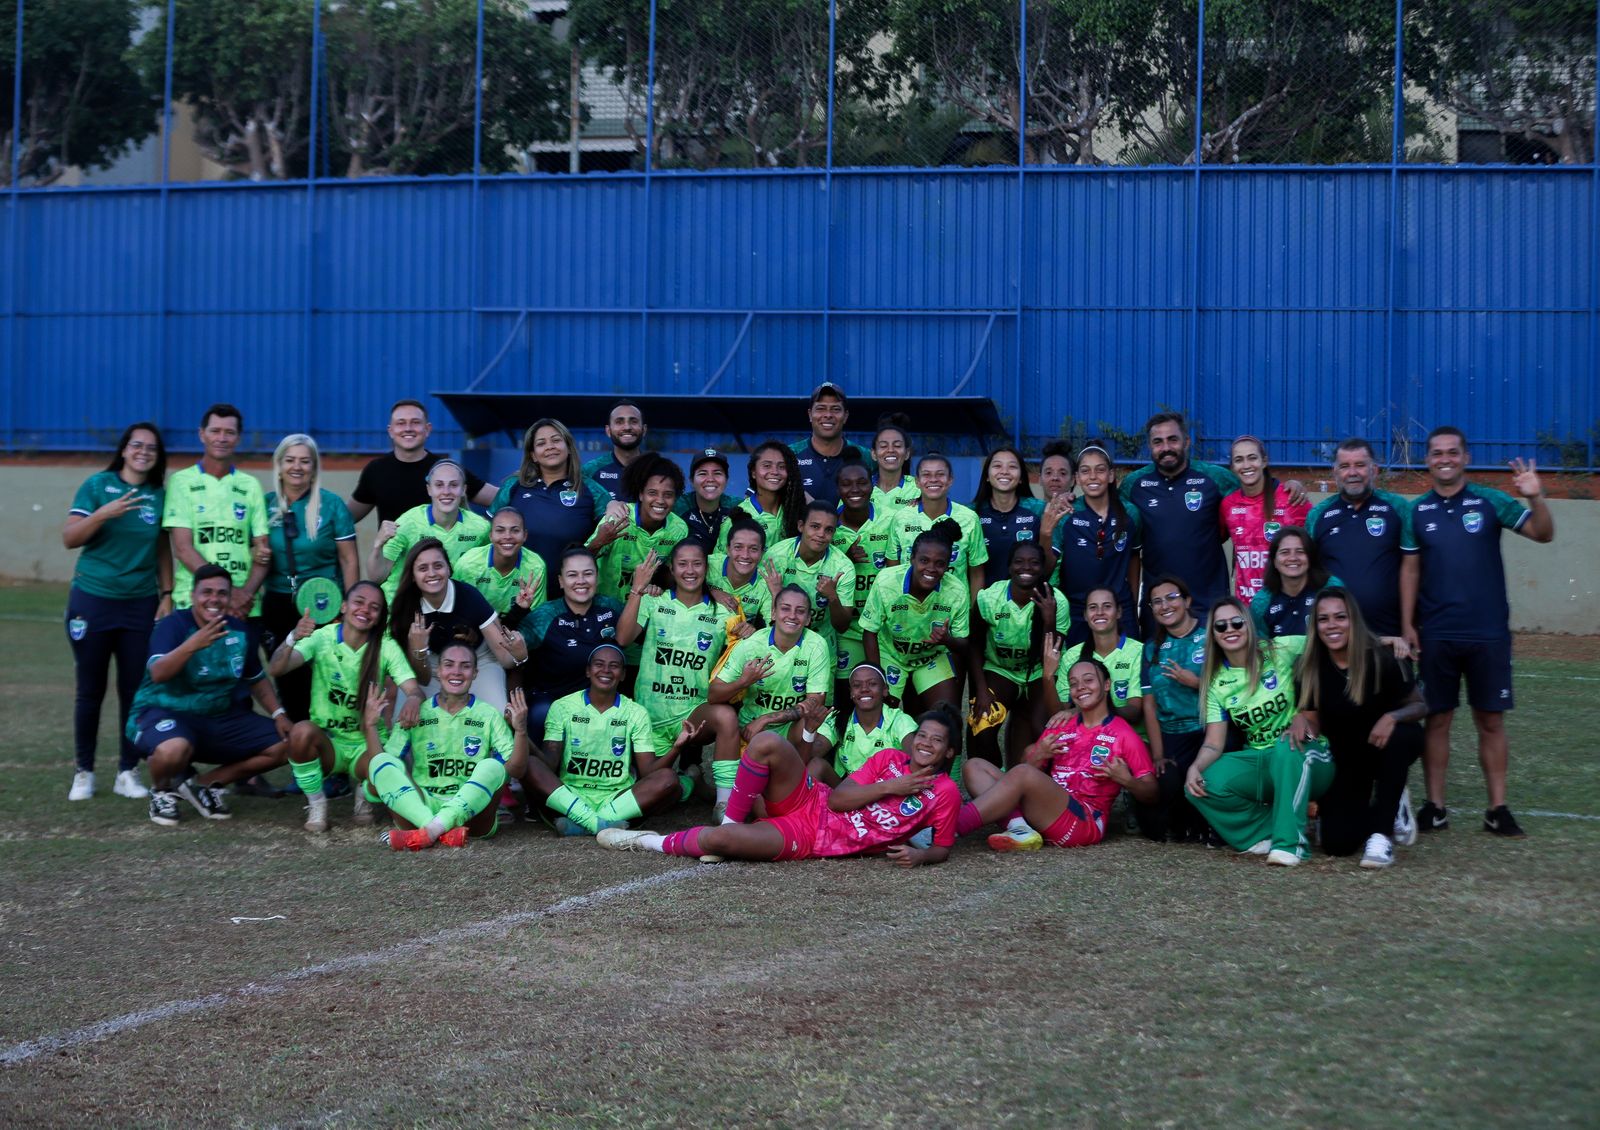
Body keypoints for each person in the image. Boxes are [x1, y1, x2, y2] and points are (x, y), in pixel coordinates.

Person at [1401, 430, 1554, 837]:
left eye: (1453, 452)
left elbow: (1543, 534)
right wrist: (1407, 625)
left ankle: (1497, 809)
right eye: (1437, 453)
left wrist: (1536, 497)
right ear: (1427, 460)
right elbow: (1410, 571)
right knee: (1437, 719)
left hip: (1488, 632)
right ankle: (1435, 807)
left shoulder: (1491, 501)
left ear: (1466, 457)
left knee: (1490, 720)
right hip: (1436, 633)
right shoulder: (1417, 511)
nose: (1445, 459)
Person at [597, 712, 962, 867]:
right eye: (922, 735)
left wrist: (920, 857)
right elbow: (838, 798)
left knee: (717, 842)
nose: (925, 743)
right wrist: (893, 785)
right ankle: (733, 820)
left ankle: (645, 841)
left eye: (937, 740)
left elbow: (943, 847)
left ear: (949, 752)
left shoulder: (945, 792)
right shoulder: (889, 760)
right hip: (812, 799)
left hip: (812, 836)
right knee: (767, 742)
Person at [127, 565, 292, 827]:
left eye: (222, 593)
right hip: (165, 712)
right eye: (206, 592)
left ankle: (203, 784)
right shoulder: (173, 625)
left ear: (230, 597)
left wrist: (279, 713)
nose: (214, 599)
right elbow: (158, 673)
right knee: (173, 749)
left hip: (218, 717)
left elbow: (256, 679)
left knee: (287, 743)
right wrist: (192, 645)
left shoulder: (239, 631)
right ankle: (161, 792)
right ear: (193, 595)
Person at [63, 422, 172, 801]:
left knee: (134, 690)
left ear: (157, 456)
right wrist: (102, 514)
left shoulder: (158, 495)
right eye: (137, 445)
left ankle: (127, 771)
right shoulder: (97, 486)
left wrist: (167, 593)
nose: (143, 452)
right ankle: (84, 772)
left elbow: (162, 548)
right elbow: (69, 538)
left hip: (139, 604)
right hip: (92, 600)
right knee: (90, 690)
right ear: (124, 449)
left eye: (151, 448)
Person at [1185, 598, 1333, 866]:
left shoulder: (1278, 650)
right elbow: (1214, 743)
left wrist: (1384, 641)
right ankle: (1265, 833)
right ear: (1213, 635)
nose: (1230, 629)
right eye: (1221, 626)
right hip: (1261, 757)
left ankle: (1291, 845)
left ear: (1249, 625)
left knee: (1286, 747)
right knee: (1199, 783)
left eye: (1237, 622)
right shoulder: (1215, 681)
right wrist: (1195, 767)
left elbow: (1329, 640)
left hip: (1307, 754)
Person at [267, 580, 422, 832]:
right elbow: (276, 668)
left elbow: (414, 690)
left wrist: (413, 699)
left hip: (367, 743)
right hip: (330, 743)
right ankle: (317, 803)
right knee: (300, 732)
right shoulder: (322, 637)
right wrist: (293, 637)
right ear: (343, 606)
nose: (365, 610)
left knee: (389, 768)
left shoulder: (386, 646)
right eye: (359, 602)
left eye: (374, 607)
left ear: (379, 616)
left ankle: (364, 792)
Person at [958, 657, 1157, 851]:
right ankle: (1020, 828)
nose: (1080, 687)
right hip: (1045, 809)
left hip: (1084, 820)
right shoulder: (1062, 724)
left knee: (1023, 774)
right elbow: (1021, 771)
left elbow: (1152, 793)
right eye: (1074, 683)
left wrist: (1127, 780)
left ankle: (952, 826)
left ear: (1106, 685)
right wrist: (1039, 754)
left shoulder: (1123, 734)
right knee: (974, 766)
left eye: (1088, 680)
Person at [1292, 588, 1426, 868]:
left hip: (1385, 748)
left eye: (1340, 617)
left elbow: (1419, 706)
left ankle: (1382, 835)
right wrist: (1302, 721)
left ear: (1353, 619)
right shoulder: (1308, 667)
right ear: (1315, 626)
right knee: (1337, 844)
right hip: (1346, 758)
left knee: (1401, 736)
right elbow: (1314, 721)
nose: (1332, 625)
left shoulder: (1381, 657)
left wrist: (1392, 717)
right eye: (1324, 619)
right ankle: (1391, 805)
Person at [362, 644, 529, 850]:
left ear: (475, 673)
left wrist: (521, 731)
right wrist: (370, 726)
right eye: (449, 665)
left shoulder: (488, 714)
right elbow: (381, 772)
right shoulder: (416, 711)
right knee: (381, 761)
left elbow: (517, 770)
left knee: (493, 766)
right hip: (423, 806)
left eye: (465, 666)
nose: (456, 672)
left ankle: (430, 831)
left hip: (471, 814)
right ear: (438, 671)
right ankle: (437, 829)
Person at [527, 644, 697, 836]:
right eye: (599, 664)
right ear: (588, 671)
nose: (606, 670)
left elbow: (648, 771)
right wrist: (522, 733)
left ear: (623, 674)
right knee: (530, 764)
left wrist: (676, 748)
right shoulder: (562, 707)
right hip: (572, 793)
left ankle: (582, 822)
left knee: (668, 778)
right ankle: (599, 823)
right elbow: (549, 764)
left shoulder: (636, 712)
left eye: (614, 666)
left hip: (617, 797)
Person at [617, 540, 740, 783]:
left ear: (706, 568)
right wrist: (637, 590)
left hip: (694, 712)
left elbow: (739, 656)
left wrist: (747, 632)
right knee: (653, 785)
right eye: (682, 564)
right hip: (651, 714)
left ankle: (725, 800)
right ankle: (689, 784)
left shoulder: (724, 612)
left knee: (726, 717)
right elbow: (623, 638)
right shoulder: (654, 601)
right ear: (672, 570)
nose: (690, 570)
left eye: (697, 564)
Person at [708, 585, 834, 816]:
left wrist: (768, 718)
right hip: (752, 729)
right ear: (773, 613)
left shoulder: (816, 645)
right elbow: (714, 694)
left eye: (800, 611)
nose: (792, 616)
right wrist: (744, 681)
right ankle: (725, 803)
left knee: (812, 733)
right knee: (758, 802)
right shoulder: (751, 644)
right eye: (785, 609)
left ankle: (801, 787)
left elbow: (815, 701)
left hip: (790, 726)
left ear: (808, 618)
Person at [261, 433, 359, 722]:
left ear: (314, 468)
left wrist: (350, 607)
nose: (297, 467)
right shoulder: (264, 505)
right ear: (279, 466)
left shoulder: (332, 505)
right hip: (278, 603)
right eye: (290, 460)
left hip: (324, 604)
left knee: (327, 676)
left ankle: (331, 739)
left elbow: (349, 560)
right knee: (288, 679)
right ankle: (300, 742)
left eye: (305, 461)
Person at [1121, 413, 1245, 632]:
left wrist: (1286, 485)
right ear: (1150, 446)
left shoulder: (1215, 478)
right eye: (1158, 442)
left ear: (1187, 441)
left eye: (1173, 439)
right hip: (1159, 607)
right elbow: (1105, 511)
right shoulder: (1134, 484)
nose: (1166, 447)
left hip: (1208, 603)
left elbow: (1255, 497)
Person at [388, 538, 525, 711]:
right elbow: (423, 679)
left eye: (438, 566)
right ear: (413, 576)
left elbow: (504, 657)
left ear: (449, 569)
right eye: (422, 568)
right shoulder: (406, 607)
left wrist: (519, 655)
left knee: (497, 712)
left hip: (478, 661)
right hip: (429, 663)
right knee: (405, 716)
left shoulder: (469, 596)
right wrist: (419, 651)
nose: (432, 573)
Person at [162, 403, 270, 617]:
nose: (222, 438)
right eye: (215, 431)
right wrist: (227, 593)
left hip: (244, 607)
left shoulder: (250, 485)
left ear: (238, 438)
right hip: (194, 602)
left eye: (229, 432)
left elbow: (263, 551)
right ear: (202, 434)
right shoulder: (181, 482)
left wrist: (245, 594)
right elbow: (183, 548)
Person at [968, 542, 1070, 766]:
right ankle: (995, 778)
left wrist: (1049, 620)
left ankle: (1041, 781)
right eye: (1019, 562)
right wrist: (981, 690)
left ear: (1043, 568)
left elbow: (1049, 656)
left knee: (1043, 729)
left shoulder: (1057, 601)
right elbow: (974, 645)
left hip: (1040, 672)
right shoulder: (989, 598)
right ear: (1009, 566)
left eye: (1034, 563)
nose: (1026, 568)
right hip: (1001, 669)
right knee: (981, 724)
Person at [490, 418, 615, 598]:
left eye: (556, 440)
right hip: (516, 594)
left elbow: (611, 535)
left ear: (568, 447)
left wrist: (614, 507)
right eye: (541, 443)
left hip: (570, 597)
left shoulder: (592, 490)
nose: (550, 446)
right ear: (533, 455)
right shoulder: (513, 486)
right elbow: (489, 537)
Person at [1306, 438, 1415, 636]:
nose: (1352, 472)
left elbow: (1412, 569)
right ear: (1335, 472)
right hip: (1337, 636)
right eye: (1345, 466)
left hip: (1389, 634)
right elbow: (1309, 573)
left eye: (1360, 465)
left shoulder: (1398, 508)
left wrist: (1409, 625)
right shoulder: (1318, 515)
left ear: (1374, 470)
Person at [516, 545, 627, 741]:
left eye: (588, 574)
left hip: (602, 700)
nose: (581, 581)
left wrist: (647, 595)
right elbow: (510, 646)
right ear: (561, 581)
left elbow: (640, 633)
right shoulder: (546, 615)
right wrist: (519, 610)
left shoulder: (611, 607)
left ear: (597, 577)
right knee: (540, 713)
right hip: (552, 699)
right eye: (572, 575)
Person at [1135, 576, 1212, 843]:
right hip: (1172, 736)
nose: (1165, 605)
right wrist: (1158, 755)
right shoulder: (1151, 649)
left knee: (1206, 782)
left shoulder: (1210, 635)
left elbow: (1230, 689)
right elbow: (1149, 703)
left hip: (1208, 731)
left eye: (1171, 597)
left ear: (1187, 601)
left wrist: (1196, 683)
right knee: (1166, 784)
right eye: (1157, 601)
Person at [860, 524, 969, 714]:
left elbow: (964, 644)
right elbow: (869, 632)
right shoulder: (886, 582)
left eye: (940, 563)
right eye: (924, 560)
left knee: (946, 716)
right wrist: (878, 676)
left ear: (947, 565)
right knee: (880, 713)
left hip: (930, 658)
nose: (931, 569)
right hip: (891, 654)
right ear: (912, 558)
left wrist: (947, 640)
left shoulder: (956, 591)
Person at [1045, 443, 1141, 645]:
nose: (1093, 477)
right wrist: (1045, 533)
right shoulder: (1067, 513)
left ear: (1111, 475)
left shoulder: (1130, 513)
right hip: (1077, 609)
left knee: (1128, 660)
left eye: (1100, 470)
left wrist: (1131, 602)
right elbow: (1048, 565)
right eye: (1085, 471)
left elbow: (1134, 557)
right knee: (1078, 662)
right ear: (1077, 478)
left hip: (1119, 607)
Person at [347, 398, 493, 526]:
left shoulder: (446, 470)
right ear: (391, 431)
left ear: (427, 429)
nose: (408, 428)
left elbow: (499, 498)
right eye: (401, 423)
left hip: (440, 550)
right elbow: (347, 519)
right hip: (393, 549)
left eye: (415, 422)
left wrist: (484, 529)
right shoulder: (376, 470)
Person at [370, 459, 488, 599]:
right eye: (439, 485)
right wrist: (377, 545)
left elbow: (487, 572)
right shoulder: (408, 523)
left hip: (451, 606)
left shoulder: (480, 528)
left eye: (453, 485)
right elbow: (376, 577)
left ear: (463, 490)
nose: (446, 491)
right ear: (429, 489)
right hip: (401, 606)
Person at [764, 500, 855, 671]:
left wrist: (832, 597)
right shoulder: (775, 556)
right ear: (801, 526)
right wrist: (777, 593)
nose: (821, 534)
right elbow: (767, 617)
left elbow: (842, 626)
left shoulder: (842, 567)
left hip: (821, 648)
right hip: (778, 646)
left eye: (829, 530)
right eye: (815, 526)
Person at [832, 460, 902, 685]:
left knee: (886, 692)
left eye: (862, 482)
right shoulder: (828, 525)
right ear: (838, 488)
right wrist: (845, 558)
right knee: (847, 694)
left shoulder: (891, 519)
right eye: (846, 484)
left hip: (885, 627)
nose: (855, 489)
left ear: (872, 485)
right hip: (847, 628)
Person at [588, 453, 690, 604]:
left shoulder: (679, 529)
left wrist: (658, 589)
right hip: (604, 607)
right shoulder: (618, 519)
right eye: (652, 493)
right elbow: (581, 562)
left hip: (642, 610)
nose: (660, 500)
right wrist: (599, 542)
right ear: (641, 494)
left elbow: (671, 576)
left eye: (668, 495)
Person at [792, 663, 917, 786]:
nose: (864, 689)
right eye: (857, 685)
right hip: (848, 792)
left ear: (885, 690)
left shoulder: (898, 720)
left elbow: (915, 762)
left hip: (888, 791)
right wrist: (809, 730)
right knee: (816, 765)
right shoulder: (838, 718)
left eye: (872, 684)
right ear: (851, 692)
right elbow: (805, 761)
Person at [885, 454, 987, 601]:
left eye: (940, 474)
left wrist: (973, 609)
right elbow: (892, 569)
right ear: (917, 482)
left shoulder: (969, 518)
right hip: (909, 607)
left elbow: (976, 573)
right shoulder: (901, 518)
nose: (933, 479)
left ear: (950, 480)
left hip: (954, 606)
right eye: (926, 475)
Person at [1222, 436, 1310, 603]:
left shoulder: (1291, 498)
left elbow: (1316, 545)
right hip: (1247, 607)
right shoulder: (1228, 505)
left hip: (1286, 605)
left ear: (1264, 461)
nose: (1246, 465)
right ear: (1232, 467)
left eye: (1252, 458)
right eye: (1239, 460)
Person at [1042, 589, 1143, 727]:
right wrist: (1048, 675)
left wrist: (1082, 710)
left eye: (1107, 606)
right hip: (1085, 734)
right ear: (1085, 615)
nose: (1099, 612)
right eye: (1093, 607)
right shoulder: (1072, 656)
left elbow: (1134, 712)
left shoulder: (1138, 652)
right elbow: (1058, 714)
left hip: (1128, 735)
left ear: (1119, 612)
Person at [451, 507, 548, 623]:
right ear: (490, 536)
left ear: (525, 535)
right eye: (500, 530)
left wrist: (521, 610)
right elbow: (456, 612)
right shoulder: (467, 564)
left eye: (515, 530)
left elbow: (535, 621)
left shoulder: (536, 567)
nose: (507, 536)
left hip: (515, 629)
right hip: (474, 629)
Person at [972, 445, 1046, 589]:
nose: (1004, 471)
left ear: (1021, 478)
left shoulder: (1039, 510)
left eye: (1012, 467)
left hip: (1027, 599)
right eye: (997, 466)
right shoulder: (971, 513)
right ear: (987, 476)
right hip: (985, 600)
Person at [790, 382, 872, 506]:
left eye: (835, 409)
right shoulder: (789, 455)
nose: (828, 415)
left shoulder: (866, 456)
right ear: (810, 414)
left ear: (845, 416)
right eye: (821, 408)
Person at [1249, 527, 1339, 639]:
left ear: (1310, 558)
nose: (1293, 558)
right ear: (1274, 561)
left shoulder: (1331, 588)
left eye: (1300, 552)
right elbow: (1261, 646)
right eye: (1285, 552)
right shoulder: (1261, 603)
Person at [717, 442, 806, 552]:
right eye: (767, 466)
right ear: (753, 472)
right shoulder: (738, 518)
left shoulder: (797, 512)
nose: (775, 472)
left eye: (782, 467)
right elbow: (721, 560)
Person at [708, 518, 773, 628]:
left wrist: (754, 632)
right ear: (728, 549)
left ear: (762, 553)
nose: (745, 555)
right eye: (738, 547)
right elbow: (679, 589)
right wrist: (709, 592)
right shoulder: (708, 564)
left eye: (753, 549)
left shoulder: (767, 582)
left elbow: (773, 627)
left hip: (738, 638)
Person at [582, 400, 648, 501]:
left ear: (644, 430)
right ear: (608, 431)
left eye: (634, 421)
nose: (627, 427)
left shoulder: (657, 470)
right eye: (619, 422)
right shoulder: (589, 471)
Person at [675, 448, 739, 553]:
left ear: (726, 480)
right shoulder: (677, 506)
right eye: (702, 473)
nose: (710, 479)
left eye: (717, 473)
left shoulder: (738, 506)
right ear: (691, 480)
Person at [869, 415, 919, 509]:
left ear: (907, 453)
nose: (891, 450)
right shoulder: (860, 486)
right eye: (883, 446)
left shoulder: (920, 488)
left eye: (897, 445)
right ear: (874, 454)